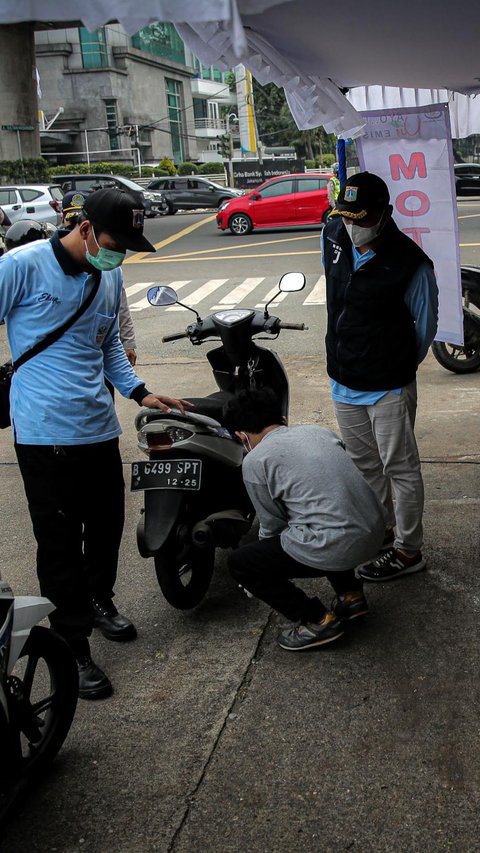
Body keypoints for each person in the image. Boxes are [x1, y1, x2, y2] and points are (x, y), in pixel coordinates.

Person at [0, 187, 190, 700]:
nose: (119, 252)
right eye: (114, 241)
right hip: (43, 433)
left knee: (105, 526)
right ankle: (72, 646)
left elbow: (108, 347)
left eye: (127, 245)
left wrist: (141, 392)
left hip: (97, 427)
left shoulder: (110, 274)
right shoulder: (21, 266)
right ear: (84, 228)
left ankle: (99, 601)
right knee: (59, 543)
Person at [322, 171, 438, 582]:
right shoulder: (334, 235)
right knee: (364, 466)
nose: (352, 226)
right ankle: (381, 532)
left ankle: (409, 551)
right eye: (347, 216)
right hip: (343, 379)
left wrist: (394, 363)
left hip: (388, 385)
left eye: (361, 218)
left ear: (385, 214)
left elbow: (424, 329)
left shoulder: (411, 264)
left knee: (400, 469)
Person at [224, 388, 386, 652]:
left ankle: (317, 619)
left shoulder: (255, 460)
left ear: (241, 435)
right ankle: (350, 595)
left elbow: (273, 525)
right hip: (375, 532)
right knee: (321, 517)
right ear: (281, 418)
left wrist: (260, 569)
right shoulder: (320, 432)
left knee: (242, 563)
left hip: (339, 543)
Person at [62, 190, 137, 367]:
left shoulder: (109, 270)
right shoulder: (30, 264)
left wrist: (127, 342)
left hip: (98, 364)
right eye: (71, 220)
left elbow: (119, 307)